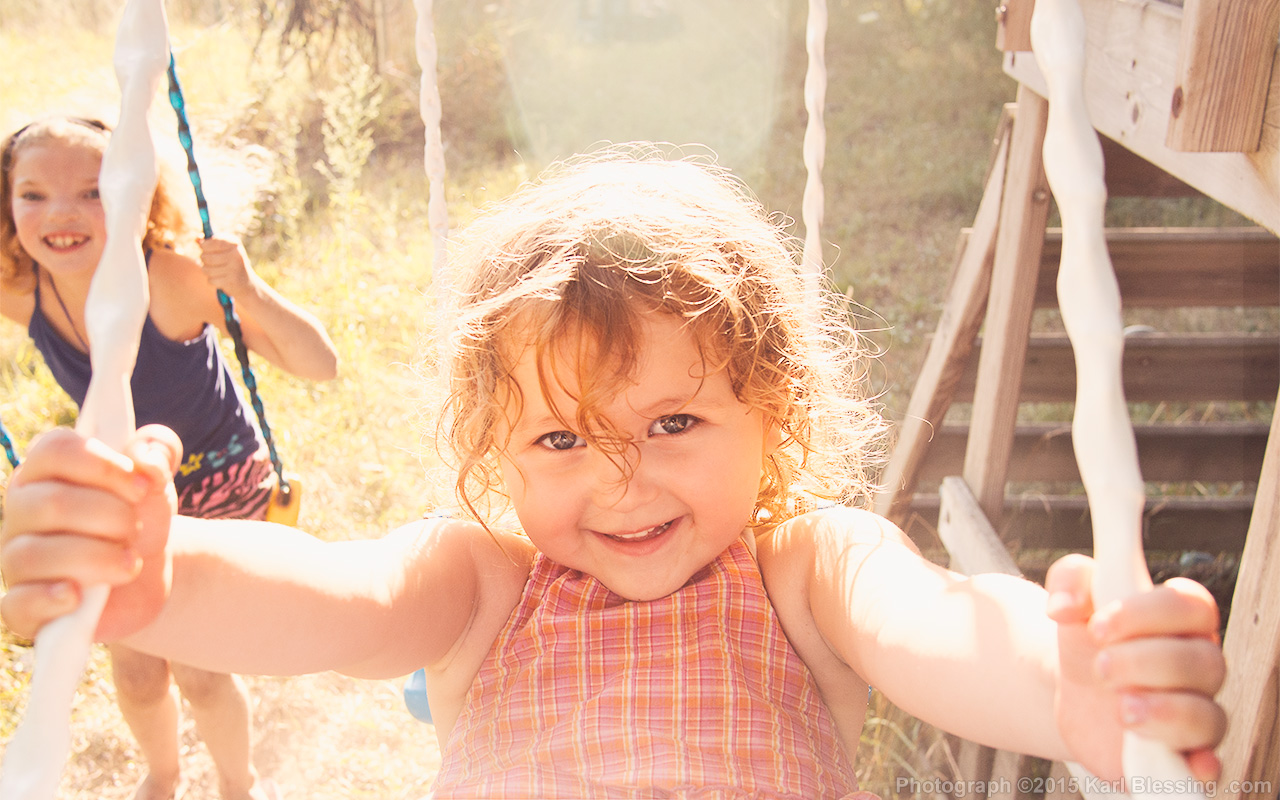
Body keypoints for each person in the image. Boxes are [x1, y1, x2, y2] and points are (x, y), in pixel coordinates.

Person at [0, 149, 1225, 799]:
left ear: (773, 412)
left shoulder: (807, 564)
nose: (623, 480)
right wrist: (164, 577)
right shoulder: (481, 577)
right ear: (496, 450)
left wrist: (1062, 688)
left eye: (677, 419)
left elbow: (937, 629)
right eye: (561, 439)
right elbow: (334, 601)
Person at [0, 115, 338, 800]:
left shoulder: (172, 277)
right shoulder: (26, 289)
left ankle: (239, 785)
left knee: (201, 670)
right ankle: (162, 773)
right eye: (32, 194)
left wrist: (248, 291)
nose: (60, 214)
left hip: (222, 490)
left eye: (92, 192)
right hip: (133, 485)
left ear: (134, 194)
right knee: (135, 672)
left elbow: (319, 365)